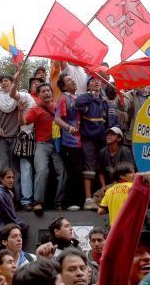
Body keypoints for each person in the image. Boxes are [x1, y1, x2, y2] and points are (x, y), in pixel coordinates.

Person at [19, 83, 66, 212]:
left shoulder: (57, 106)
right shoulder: (35, 109)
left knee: (62, 172)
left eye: (48, 90)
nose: (47, 93)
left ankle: (58, 203)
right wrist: (20, 111)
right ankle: (38, 202)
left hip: (57, 144)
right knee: (42, 171)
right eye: (43, 91)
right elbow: (22, 122)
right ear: (38, 95)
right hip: (42, 144)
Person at [75, 77, 107, 210]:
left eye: (98, 81)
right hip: (88, 138)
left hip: (102, 139)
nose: (96, 82)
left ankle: (102, 198)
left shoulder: (104, 101)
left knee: (101, 168)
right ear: (88, 85)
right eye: (93, 81)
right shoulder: (85, 98)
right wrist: (91, 95)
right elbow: (78, 104)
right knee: (89, 168)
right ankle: (88, 200)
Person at [9, 72, 38, 209]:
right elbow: (12, 95)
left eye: (40, 82)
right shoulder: (26, 96)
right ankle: (26, 201)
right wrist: (15, 83)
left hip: (42, 138)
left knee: (39, 170)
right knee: (26, 169)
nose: (37, 84)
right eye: (34, 82)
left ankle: (38, 200)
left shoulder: (45, 99)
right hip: (27, 137)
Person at [54, 72, 83, 210]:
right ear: (64, 86)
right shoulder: (63, 98)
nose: (73, 81)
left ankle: (80, 202)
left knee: (80, 172)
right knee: (72, 173)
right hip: (70, 141)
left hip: (81, 140)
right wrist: (69, 128)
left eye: (72, 79)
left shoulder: (77, 98)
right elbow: (57, 118)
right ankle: (70, 203)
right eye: (69, 80)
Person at [0, 169, 29, 257]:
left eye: (12, 177)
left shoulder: (4, 192)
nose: (11, 180)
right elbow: (9, 217)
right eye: (8, 177)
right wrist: (24, 226)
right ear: (1, 179)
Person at [0, 74, 22, 189]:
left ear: (12, 82)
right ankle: (1, 197)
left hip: (15, 137)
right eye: (1, 82)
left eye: (6, 80)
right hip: (0, 138)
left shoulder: (18, 97)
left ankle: (17, 199)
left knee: (15, 169)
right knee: (1, 168)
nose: (3, 83)